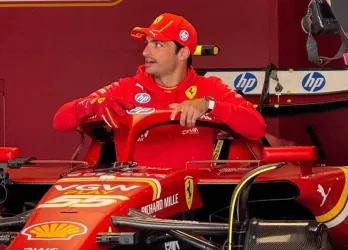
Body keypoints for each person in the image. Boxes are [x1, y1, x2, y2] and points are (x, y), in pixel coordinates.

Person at [53, 12, 266, 168]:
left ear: (183, 53)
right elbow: (60, 121)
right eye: (147, 43)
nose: (146, 51)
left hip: (194, 208)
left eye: (157, 44)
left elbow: (257, 127)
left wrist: (209, 105)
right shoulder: (125, 88)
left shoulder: (209, 88)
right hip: (134, 203)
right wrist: (93, 104)